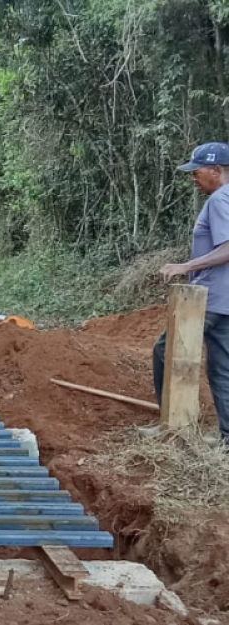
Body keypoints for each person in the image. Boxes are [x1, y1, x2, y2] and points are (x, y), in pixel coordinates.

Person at [155, 142, 229, 444]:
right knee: (222, 368)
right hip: (225, 301)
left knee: (166, 351)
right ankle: (227, 438)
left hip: (209, 297)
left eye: (197, 173)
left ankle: (172, 427)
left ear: (216, 170)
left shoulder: (220, 200)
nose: (193, 179)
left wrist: (186, 266)